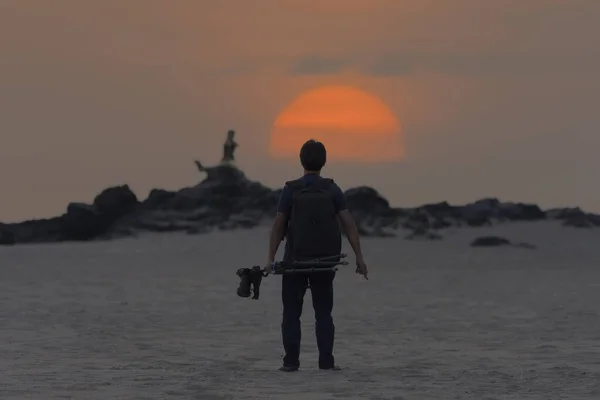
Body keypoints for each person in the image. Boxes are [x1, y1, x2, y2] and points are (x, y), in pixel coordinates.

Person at [265, 139, 368, 372]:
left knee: (291, 313)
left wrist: (270, 259)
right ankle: (326, 362)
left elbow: (278, 225)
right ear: (324, 162)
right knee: (323, 313)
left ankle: (291, 362)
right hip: (325, 261)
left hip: (294, 261)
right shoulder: (332, 189)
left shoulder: (291, 189)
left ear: (301, 160)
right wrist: (359, 257)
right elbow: (350, 225)